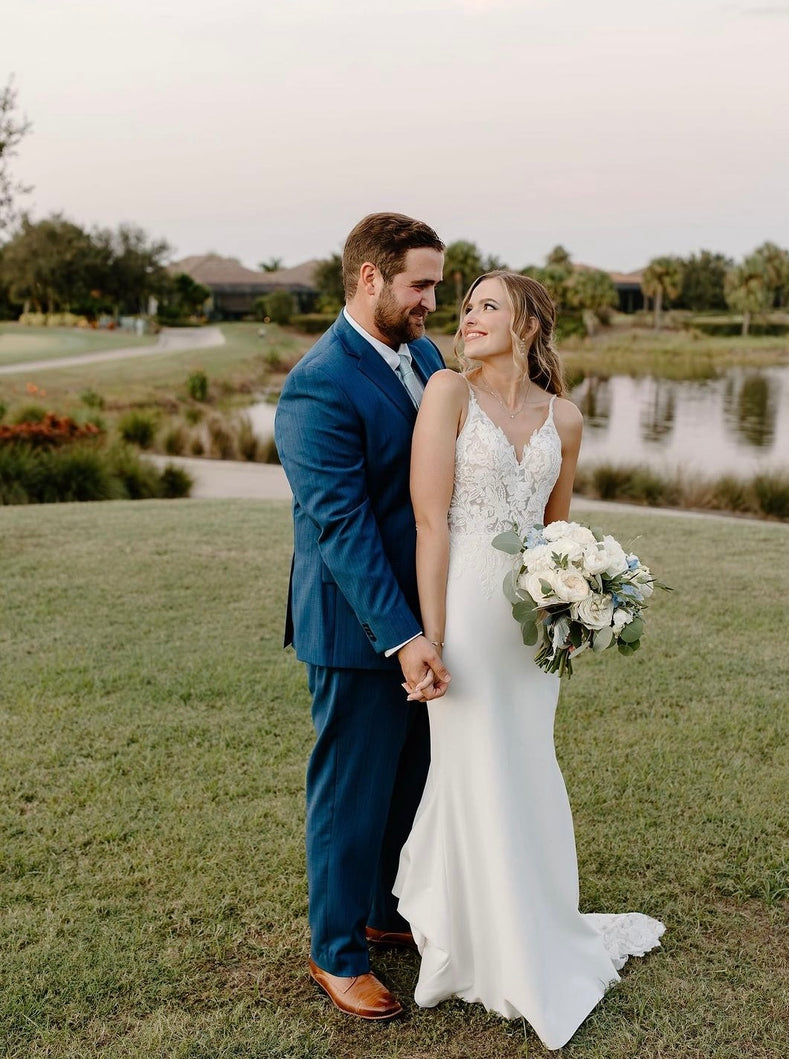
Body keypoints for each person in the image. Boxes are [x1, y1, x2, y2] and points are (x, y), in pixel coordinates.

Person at [394, 271, 664, 1050]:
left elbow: (558, 530)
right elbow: (429, 521)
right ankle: (477, 944)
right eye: (466, 306)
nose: (469, 317)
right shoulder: (447, 392)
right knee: (472, 767)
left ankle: (534, 926)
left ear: (529, 323)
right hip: (469, 619)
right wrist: (433, 639)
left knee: (526, 763)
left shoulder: (567, 419)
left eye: (488, 305)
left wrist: (574, 599)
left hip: (533, 628)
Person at [274, 212, 451, 1022]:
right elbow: (342, 528)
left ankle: (384, 911)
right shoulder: (319, 383)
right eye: (419, 284)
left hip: (425, 620)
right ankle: (336, 951)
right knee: (350, 792)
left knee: (407, 781)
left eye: (437, 286)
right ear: (370, 278)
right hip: (358, 629)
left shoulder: (424, 355)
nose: (430, 301)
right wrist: (402, 635)